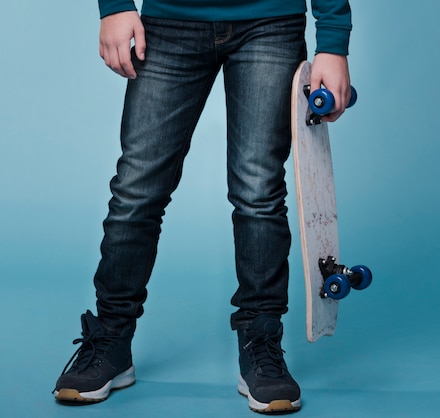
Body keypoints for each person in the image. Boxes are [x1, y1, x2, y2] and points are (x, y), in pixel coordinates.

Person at [52, 0, 352, 414]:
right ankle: (111, 339)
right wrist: (115, 6)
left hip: (271, 23)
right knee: (137, 189)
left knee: (259, 193)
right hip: (169, 21)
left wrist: (333, 41)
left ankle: (260, 341)